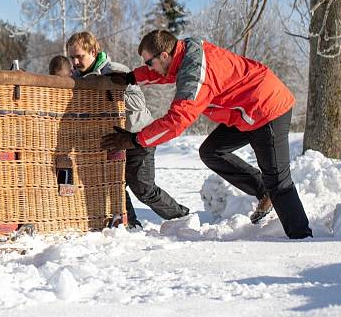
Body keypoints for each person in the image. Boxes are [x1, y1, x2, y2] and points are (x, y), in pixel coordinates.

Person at [101, 29, 312, 239]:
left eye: (149, 62)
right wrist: (131, 77)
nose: (149, 67)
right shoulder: (184, 54)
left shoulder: (195, 74)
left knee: (278, 181)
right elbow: (164, 72)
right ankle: (263, 191)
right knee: (212, 151)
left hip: (267, 108)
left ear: (164, 55)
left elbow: (177, 120)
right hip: (246, 111)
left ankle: (301, 236)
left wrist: (135, 139)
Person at [67, 32, 190, 228]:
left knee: (143, 188)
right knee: (114, 184)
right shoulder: (76, 78)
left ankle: (182, 218)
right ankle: (130, 224)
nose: (74, 61)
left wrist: (111, 93)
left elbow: (138, 102)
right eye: (71, 57)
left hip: (139, 135)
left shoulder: (116, 71)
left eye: (79, 56)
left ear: (93, 51)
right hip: (114, 139)